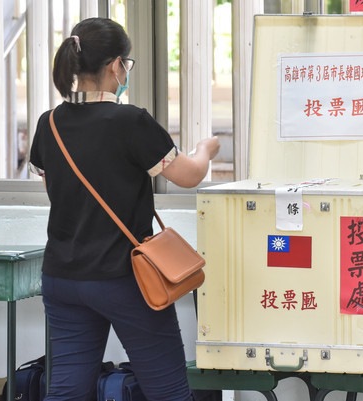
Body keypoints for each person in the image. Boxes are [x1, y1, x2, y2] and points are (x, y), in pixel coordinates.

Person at [29, 17, 219, 401]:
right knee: (167, 390)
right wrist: (205, 150)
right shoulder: (129, 120)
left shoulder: (47, 123)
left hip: (63, 277)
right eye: (126, 65)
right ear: (116, 65)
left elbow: (56, 191)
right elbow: (188, 176)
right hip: (125, 278)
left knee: (66, 389)